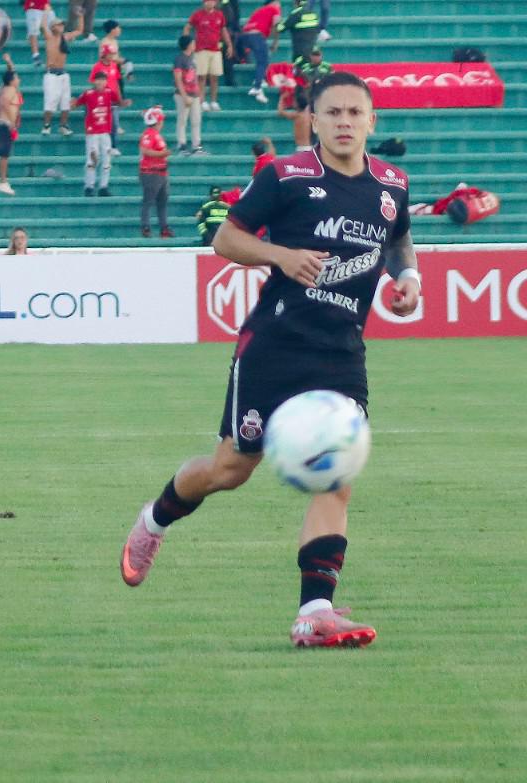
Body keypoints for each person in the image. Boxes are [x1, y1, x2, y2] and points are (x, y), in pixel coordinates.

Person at [121, 71, 420, 650]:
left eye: (354, 114)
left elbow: (397, 238)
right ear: (312, 118)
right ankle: (153, 520)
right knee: (230, 471)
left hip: (341, 354)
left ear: (371, 121)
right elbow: (225, 240)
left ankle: (314, 611)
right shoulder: (285, 176)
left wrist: (406, 278)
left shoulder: (392, 184)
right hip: (274, 345)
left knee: (337, 475)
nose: (343, 123)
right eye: (331, 113)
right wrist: (280, 255)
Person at [183, 0, 232, 111]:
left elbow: (223, 30)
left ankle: (214, 101)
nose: (210, 3)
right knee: (202, 77)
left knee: (214, 77)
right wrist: (187, 44)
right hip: (201, 50)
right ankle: (202, 101)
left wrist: (229, 44)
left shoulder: (219, 14)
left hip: (215, 50)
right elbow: (187, 27)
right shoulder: (197, 14)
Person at [73, 69, 113, 196]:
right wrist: (71, 103)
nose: (101, 82)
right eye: (99, 80)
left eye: (103, 80)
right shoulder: (88, 94)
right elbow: (76, 104)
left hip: (105, 131)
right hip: (92, 132)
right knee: (92, 159)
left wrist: (124, 102)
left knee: (106, 160)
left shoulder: (110, 93)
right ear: (94, 81)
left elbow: (119, 102)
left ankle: (103, 186)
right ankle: (89, 186)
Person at [39, 15, 79, 136]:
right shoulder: (49, 37)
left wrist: (81, 16)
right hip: (51, 73)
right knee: (50, 101)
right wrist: (45, 11)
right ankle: (47, 125)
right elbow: (42, 26)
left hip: (63, 73)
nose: (61, 26)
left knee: (65, 102)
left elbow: (79, 31)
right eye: (59, 24)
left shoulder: (65, 37)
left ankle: (63, 125)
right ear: (53, 27)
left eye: (62, 24)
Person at [138, 105, 172, 238]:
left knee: (162, 201)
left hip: (161, 172)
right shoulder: (149, 134)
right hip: (151, 172)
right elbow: (145, 150)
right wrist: (162, 154)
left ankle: (164, 227)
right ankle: (145, 226)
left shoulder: (156, 135)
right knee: (149, 200)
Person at [237, 0, 280, 104]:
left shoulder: (259, 10)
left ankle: (260, 79)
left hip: (244, 37)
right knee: (263, 62)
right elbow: (276, 26)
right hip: (256, 36)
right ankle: (257, 87)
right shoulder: (274, 9)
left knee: (262, 57)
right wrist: (275, 42)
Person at [172, 34, 205, 156]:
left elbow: (195, 78)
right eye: (193, 42)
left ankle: (196, 146)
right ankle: (182, 145)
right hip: (183, 94)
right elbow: (178, 79)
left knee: (196, 120)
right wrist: (184, 95)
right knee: (182, 120)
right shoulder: (179, 59)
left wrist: (200, 94)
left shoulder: (193, 58)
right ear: (188, 45)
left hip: (194, 94)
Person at [0, 54, 21, 195]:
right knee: (4, 155)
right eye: (16, 78)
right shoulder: (9, 90)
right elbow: (4, 103)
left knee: (6, 154)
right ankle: (2, 181)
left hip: (3, 124)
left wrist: (9, 62)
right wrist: (12, 123)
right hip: (4, 124)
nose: (19, 79)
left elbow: (11, 73)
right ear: (12, 81)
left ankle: (4, 180)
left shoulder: (6, 87)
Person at [23, 0, 51, 66]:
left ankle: (51, 56)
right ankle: (36, 56)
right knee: (33, 31)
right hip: (33, 6)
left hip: (45, 6)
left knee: (52, 29)